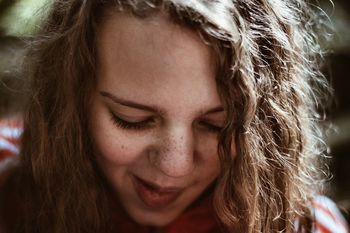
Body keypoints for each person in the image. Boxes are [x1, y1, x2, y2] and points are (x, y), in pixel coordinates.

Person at [0, 0, 349, 232]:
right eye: (131, 119)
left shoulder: (305, 226)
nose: (175, 166)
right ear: (70, 98)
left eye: (218, 126)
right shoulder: (7, 184)